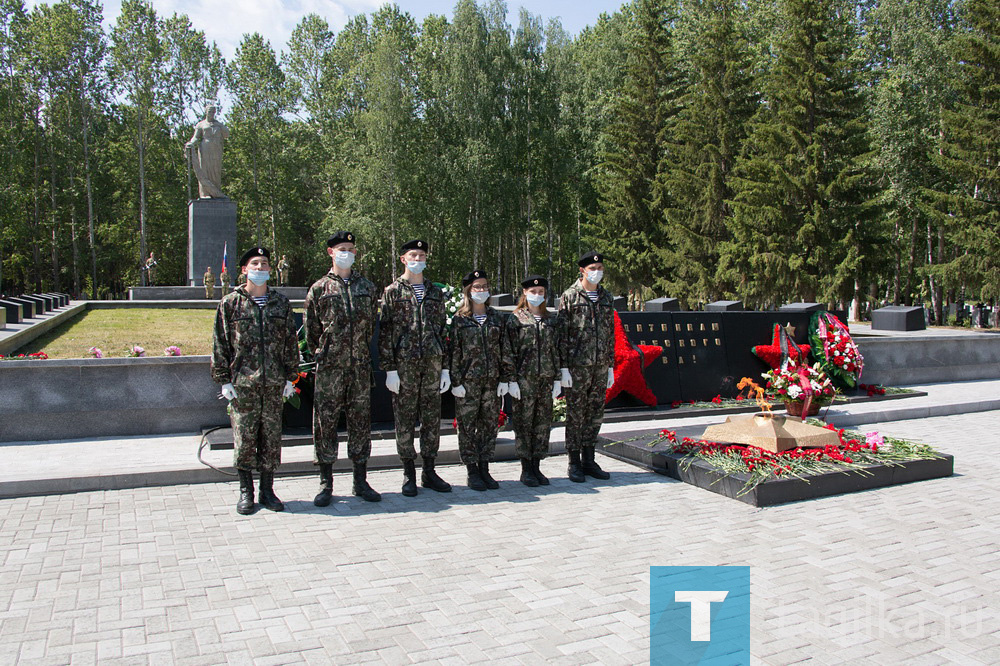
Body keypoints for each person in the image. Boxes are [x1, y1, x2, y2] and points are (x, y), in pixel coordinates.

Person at [211, 246, 300, 514]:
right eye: (255, 264)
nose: (260, 269)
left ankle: (267, 490)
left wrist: (290, 377)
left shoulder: (280, 303)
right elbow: (220, 343)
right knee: (245, 438)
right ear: (244, 269)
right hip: (243, 384)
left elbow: (290, 343)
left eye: (264, 264)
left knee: (271, 438)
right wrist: (224, 380)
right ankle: (246, 491)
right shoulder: (230, 303)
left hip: (273, 383)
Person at [304, 231, 381, 505]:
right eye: (341, 248)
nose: (346, 252)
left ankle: (360, 481)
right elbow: (312, 332)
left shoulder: (368, 288)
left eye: (350, 248)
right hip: (330, 369)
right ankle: (326, 484)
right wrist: (328, 353)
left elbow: (370, 326)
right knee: (325, 424)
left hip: (359, 367)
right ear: (331, 252)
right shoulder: (319, 288)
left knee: (360, 423)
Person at [378, 239, 452, 496]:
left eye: (422, 255)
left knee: (432, 419)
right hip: (404, 366)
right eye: (413, 255)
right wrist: (389, 368)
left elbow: (443, 330)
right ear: (403, 259)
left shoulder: (435, 292)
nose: (418, 259)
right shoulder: (392, 291)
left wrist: (445, 368)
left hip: (432, 363)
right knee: (405, 420)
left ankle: (429, 471)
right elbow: (385, 332)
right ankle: (408, 473)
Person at [448, 270, 509, 491]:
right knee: (467, 427)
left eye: (484, 286)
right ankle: (472, 470)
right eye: (477, 287)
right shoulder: (459, 320)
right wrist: (456, 382)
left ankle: (485, 467)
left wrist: (505, 378)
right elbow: (454, 352)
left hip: (492, 382)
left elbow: (505, 350)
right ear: (468, 291)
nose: (482, 290)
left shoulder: (497, 318)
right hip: (468, 383)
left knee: (489, 426)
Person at [504, 275, 565, 487]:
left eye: (541, 292)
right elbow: (508, 351)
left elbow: (557, 350)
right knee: (523, 424)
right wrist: (511, 380)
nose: (537, 296)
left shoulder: (551, 320)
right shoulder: (516, 319)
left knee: (542, 424)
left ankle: (537, 465)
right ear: (525, 293)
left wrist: (558, 378)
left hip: (546, 379)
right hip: (524, 381)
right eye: (533, 292)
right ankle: (525, 468)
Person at [559, 251, 615, 482]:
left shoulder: (606, 297)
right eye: (593, 268)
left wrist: (610, 365)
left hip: (600, 365)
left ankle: (589, 459)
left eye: (600, 268)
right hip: (577, 367)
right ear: (582, 270)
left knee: (595, 414)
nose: (597, 272)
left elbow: (610, 333)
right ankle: (574, 462)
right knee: (576, 415)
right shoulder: (570, 296)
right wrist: (563, 368)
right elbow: (562, 335)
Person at [186, 103, 229, 198]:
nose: (211, 113)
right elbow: (196, 137)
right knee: (205, 170)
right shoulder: (201, 124)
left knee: (216, 171)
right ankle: (205, 194)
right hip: (205, 148)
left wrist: (221, 126)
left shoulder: (218, 124)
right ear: (206, 112)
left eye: (213, 112)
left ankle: (216, 193)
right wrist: (191, 143)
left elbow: (227, 134)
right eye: (210, 111)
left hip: (216, 150)